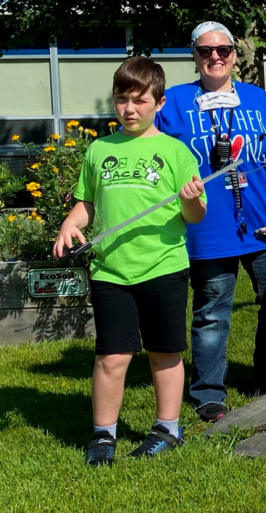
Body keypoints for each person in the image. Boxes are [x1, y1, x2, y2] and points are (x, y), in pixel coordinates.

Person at [54, 57, 207, 466]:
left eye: (139, 100)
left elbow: (195, 215)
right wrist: (71, 222)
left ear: (158, 102)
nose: (129, 109)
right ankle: (103, 435)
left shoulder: (175, 151)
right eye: (122, 99)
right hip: (111, 270)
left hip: (163, 266)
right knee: (112, 356)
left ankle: (167, 428)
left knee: (165, 352)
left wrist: (191, 200)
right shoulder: (100, 149)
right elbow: (87, 201)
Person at [156, 22, 266, 422]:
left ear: (235, 55)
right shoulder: (173, 102)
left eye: (223, 50)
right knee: (211, 312)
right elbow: (150, 148)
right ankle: (208, 392)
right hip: (208, 226)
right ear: (194, 55)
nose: (215, 57)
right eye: (206, 51)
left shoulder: (258, 98)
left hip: (264, 223)